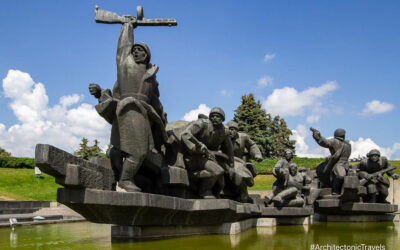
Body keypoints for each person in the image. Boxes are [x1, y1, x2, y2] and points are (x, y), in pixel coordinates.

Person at [89, 17, 167, 192]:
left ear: (147, 56)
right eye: (135, 50)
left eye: (141, 51)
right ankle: (125, 179)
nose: (136, 53)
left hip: (142, 112)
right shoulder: (126, 65)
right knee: (137, 151)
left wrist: (161, 119)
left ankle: (121, 171)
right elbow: (123, 49)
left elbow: (156, 102)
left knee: (135, 149)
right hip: (127, 108)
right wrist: (127, 26)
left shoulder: (150, 76)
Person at [181, 107, 234, 199]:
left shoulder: (225, 131)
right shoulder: (202, 123)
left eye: (217, 116)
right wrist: (194, 147)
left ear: (222, 119)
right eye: (212, 116)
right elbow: (185, 134)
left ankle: (214, 192)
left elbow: (229, 149)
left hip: (210, 157)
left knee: (222, 182)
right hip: (194, 157)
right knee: (217, 171)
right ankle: (204, 191)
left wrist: (231, 164)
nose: (214, 118)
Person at [225, 121, 262, 202]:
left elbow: (252, 145)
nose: (232, 131)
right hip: (225, 160)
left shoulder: (243, 137)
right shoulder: (222, 136)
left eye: (234, 129)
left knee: (240, 170)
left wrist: (257, 154)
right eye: (230, 129)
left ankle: (243, 192)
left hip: (239, 161)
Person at [311, 128, 351, 195]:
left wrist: (318, 137)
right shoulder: (348, 144)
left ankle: (335, 189)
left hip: (339, 163)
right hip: (343, 163)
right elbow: (325, 142)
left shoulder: (336, 141)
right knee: (321, 169)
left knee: (339, 175)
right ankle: (330, 186)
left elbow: (325, 142)